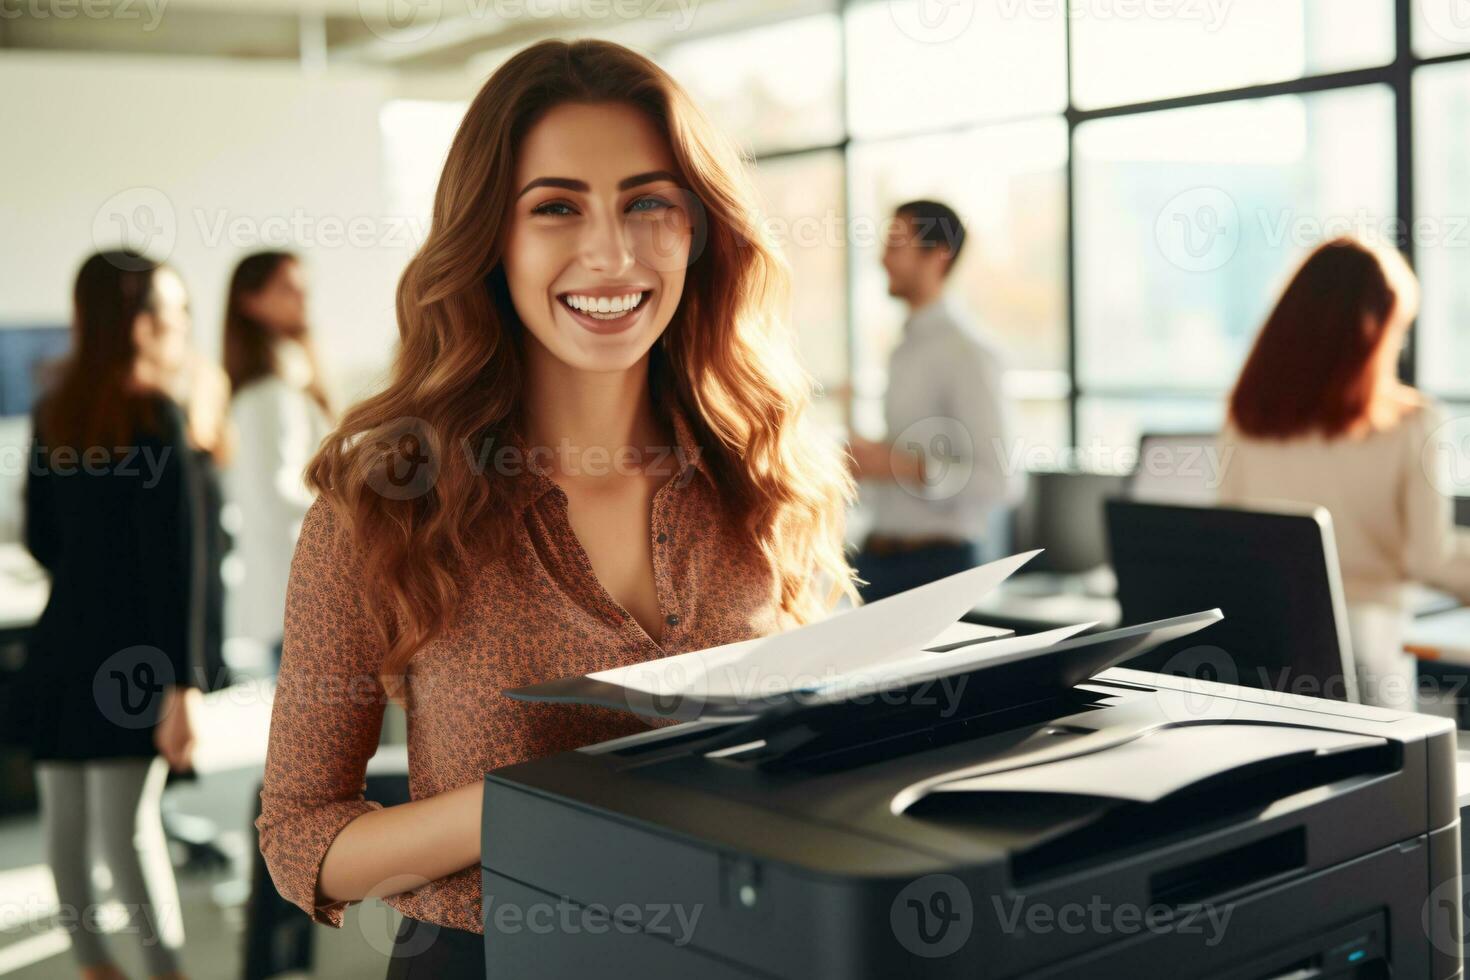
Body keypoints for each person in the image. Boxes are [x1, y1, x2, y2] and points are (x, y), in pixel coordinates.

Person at [254, 39, 858, 977]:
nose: (610, 252)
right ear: (492, 235)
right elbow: (301, 838)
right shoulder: (383, 505)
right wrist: (555, 798)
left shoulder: (766, 476)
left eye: (648, 202)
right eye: (557, 208)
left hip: (746, 951)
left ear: (698, 228)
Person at [23, 250, 201, 980]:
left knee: (65, 829)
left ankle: (94, 966)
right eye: (167, 307)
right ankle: (167, 974)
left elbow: (41, 539)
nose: (176, 322)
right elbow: (179, 566)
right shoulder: (155, 414)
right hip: (136, 654)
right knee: (127, 833)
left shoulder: (54, 411)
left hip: (62, 643)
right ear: (136, 320)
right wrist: (183, 688)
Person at [1218, 236, 1470, 710]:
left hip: (1265, 646)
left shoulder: (1247, 413)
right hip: (1367, 652)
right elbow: (1429, 558)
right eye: (1399, 330)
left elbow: (1229, 529)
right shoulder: (1412, 422)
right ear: (1373, 332)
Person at [848, 200, 1023, 602]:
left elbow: (1001, 482)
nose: (881, 260)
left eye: (895, 246)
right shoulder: (904, 349)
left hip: (938, 571)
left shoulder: (969, 354)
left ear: (938, 255)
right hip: (877, 563)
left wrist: (899, 466)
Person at [221, 251, 332, 668]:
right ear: (250, 302)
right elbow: (278, 498)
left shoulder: (290, 383)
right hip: (301, 602)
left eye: (305, 286)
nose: (303, 297)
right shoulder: (267, 395)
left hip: (305, 600)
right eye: (288, 287)